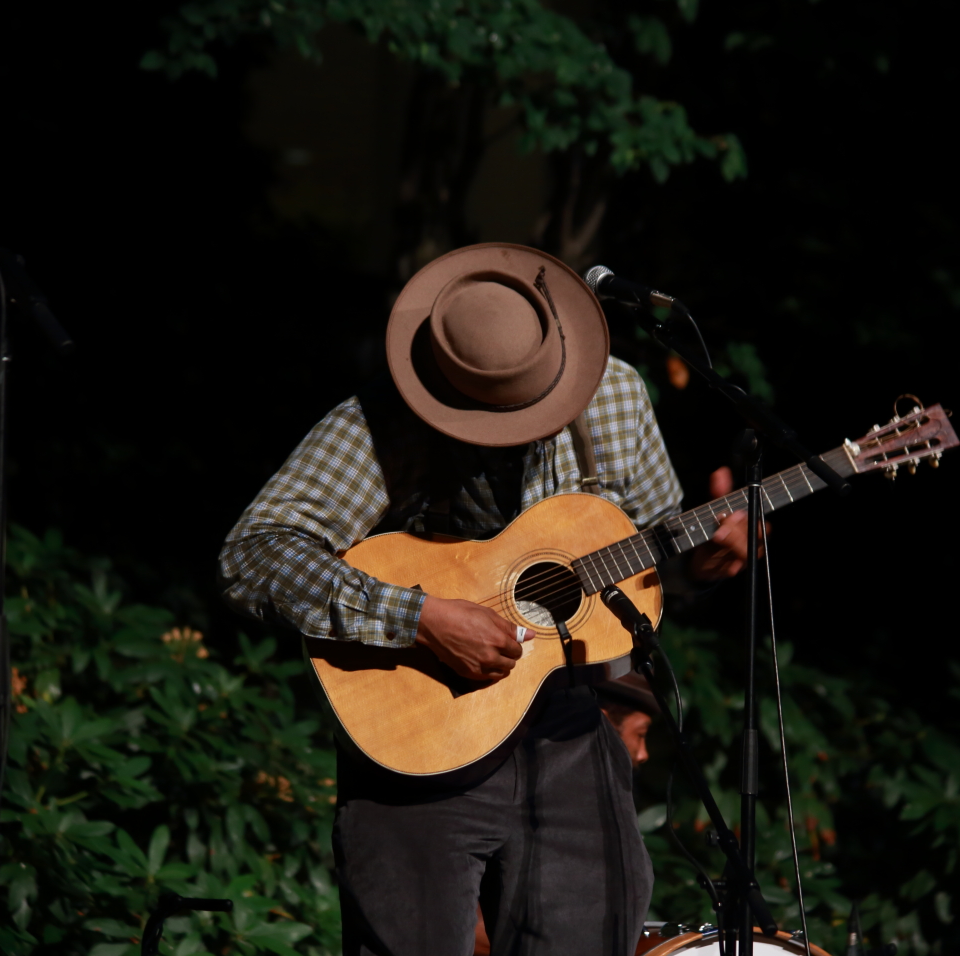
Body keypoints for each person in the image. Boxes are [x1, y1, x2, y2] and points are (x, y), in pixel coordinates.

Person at [219, 244, 752, 956]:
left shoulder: (617, 395)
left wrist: (703, 565)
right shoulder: (383, 419)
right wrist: (418, 619)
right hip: (422, 736)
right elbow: (254, 554)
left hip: (571, 723)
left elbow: (649, 563)